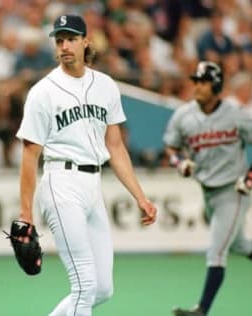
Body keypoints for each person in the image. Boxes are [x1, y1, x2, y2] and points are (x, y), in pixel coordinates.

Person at [15, 14, 157, 316]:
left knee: (102, 288)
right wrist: (26, 214)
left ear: (85, 41)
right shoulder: (43, 92)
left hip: (93, 186)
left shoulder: (105, 86)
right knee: (85, 284)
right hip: (60, 183)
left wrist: (140, 196)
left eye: (71, 38)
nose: (65, 45)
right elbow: (30, 155)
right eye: (59, 40)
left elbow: (115, 147)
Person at [163, 61, 252, 316]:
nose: (197, 86)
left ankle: (202, 309)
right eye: (196, 81)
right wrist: (179, 163)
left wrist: (251, 177)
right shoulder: (184, 115)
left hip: (232, 192)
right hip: (208, 191)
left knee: (217, 251)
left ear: (215, 86)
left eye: (203, 82)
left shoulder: (235, 114)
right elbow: (171, 148)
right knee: (240, 245)